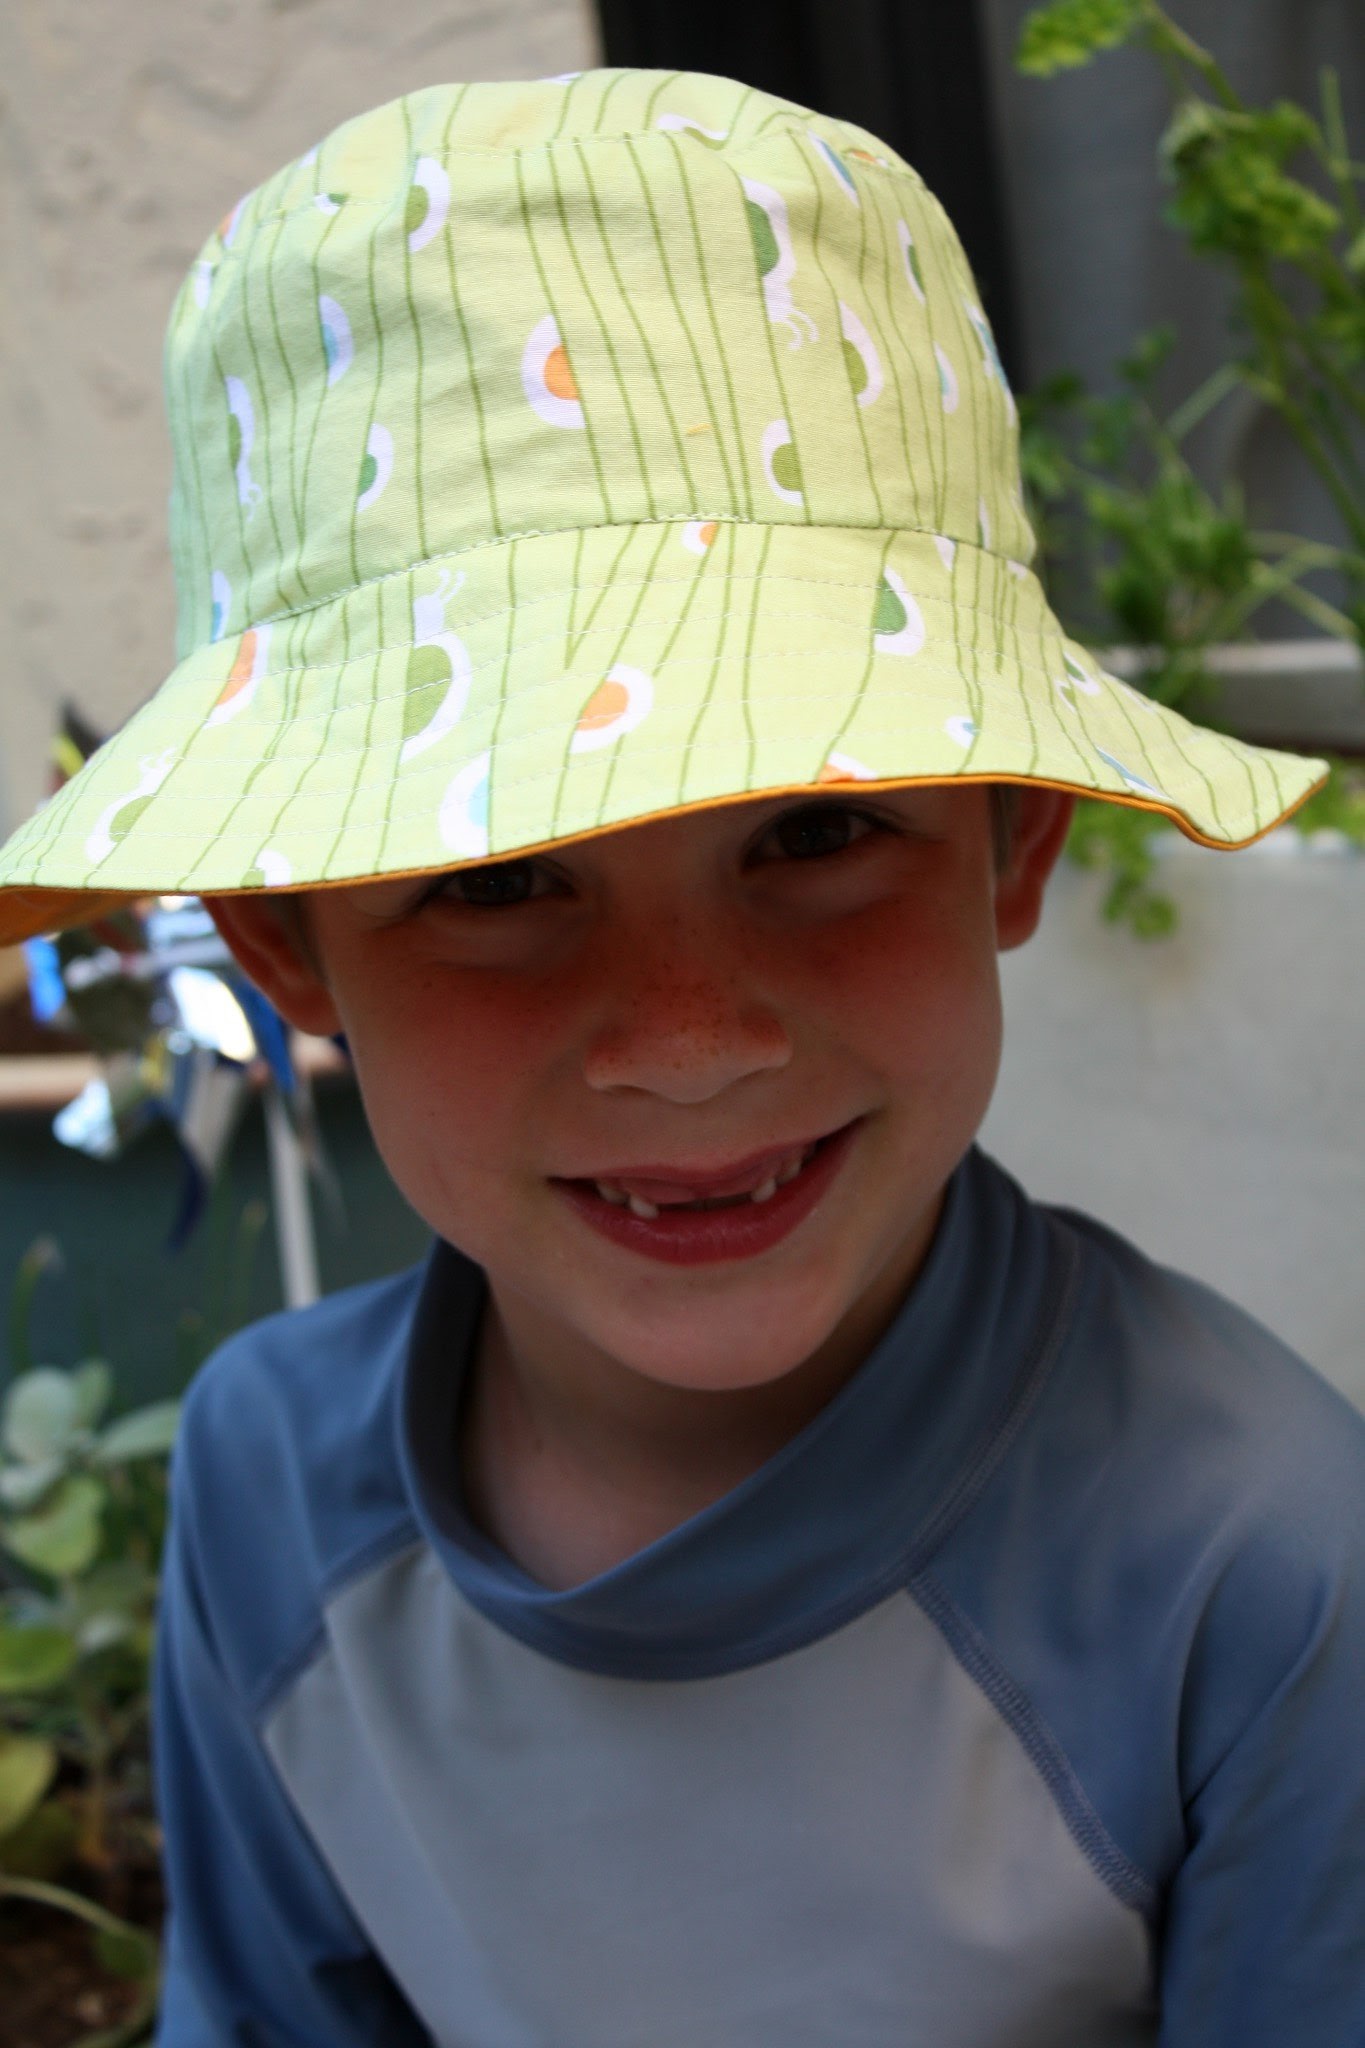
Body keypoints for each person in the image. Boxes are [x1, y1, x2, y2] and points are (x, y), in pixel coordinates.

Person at [0, 68, 1360, 2048]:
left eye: (814, 833)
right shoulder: (265, 1486)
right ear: (293, 948)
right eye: (499, 878)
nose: (686, 1033)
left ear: (1013, 837)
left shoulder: (1259, 1566)